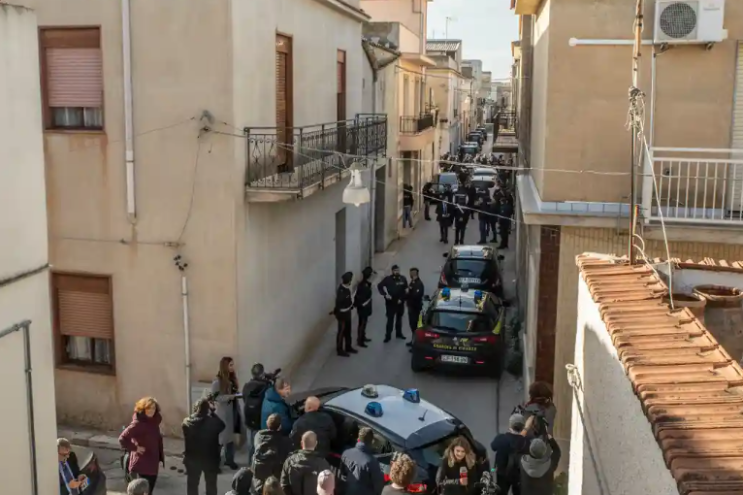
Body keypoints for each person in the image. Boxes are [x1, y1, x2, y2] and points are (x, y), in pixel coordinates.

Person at [119, 397, 164, 493]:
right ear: (143, 409)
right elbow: (122, 439)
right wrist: (135, 448)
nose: (151, 410)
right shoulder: (138, 423)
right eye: (149, 408)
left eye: (153, 408)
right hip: (141, 466)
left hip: (152, 465)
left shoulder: (154, 421)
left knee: (149, 492)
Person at [183, 396, 226, 495]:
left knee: (192, 485)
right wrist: (213, 413)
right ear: (207, 409)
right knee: (211, 485)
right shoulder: (212, 422)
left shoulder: (186, 422)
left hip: (192, 459)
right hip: (210, 459)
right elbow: (222, 425)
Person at [211, 356, 245, 470]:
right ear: (225, 366)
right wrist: (230, 397)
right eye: (230, 365)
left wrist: (237, 394)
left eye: (233, 365)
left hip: (232, 412)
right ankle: (215, 464)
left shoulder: (232, 379)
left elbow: (235, 393)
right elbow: (216, 398)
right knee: (221, 440)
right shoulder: (217, 382)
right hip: (222, 414)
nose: (232, 367)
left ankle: (229, 460)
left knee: (230, 439)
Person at [253, 413, 293, 495]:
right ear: (280, 426)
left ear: (267, 424)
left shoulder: (258, 436)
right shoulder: (285, 441)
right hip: (276, 480)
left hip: (260, 481)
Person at [490, 414, 529, 495]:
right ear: (522, 426)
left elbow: (493, 446)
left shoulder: (501, 438)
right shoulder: (526, 441)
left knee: (501, 492)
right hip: (519, 475)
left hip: (502, 474)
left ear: (510, 424)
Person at [339, 427, 385, 495]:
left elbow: (343, 474)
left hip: (347, 491)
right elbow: (378, 486)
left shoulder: (346, 453)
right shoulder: (372, 462)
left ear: (358, 438)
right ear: (371, 441)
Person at [243, 363, 273, 463]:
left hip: (248, 418)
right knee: (259, 444)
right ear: (262, 373)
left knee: (250, 445)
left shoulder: (246, 386)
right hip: (259, 418)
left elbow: (244, 399)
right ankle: (257, 466)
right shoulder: (266, 386)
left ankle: (249, 464)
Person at [377, 265, 408, 343]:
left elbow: (406, 290)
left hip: (400, 303)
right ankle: (388, 336)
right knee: (390, 320)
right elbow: (380, 286)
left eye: (398, 270)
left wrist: (402, 299)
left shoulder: (403, 279)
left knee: (399, 319)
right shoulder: (388, 279)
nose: (396, 272)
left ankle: (399, 333)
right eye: (395, 270)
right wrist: (385, 294)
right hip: (390, 303)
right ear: (392, 271)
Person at [334, 271, 356, 357]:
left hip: (347, 313)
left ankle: (348, 346)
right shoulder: (341, 291)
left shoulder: (346, 289)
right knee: (341, 332)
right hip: (342, 315)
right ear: (348, 281)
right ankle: (339, 349)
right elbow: (340, 303)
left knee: (348, 331)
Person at [354, 266, 374, 347]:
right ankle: (360, 340)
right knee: (362, 324)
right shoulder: (363, 286)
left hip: (364, 307)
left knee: (363, 323)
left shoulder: (366, 284)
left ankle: (363, 336)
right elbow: (362, 298)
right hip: (363, 308)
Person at [405, 268, 424, 349]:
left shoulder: (419, 284)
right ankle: (413, 341)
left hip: (415, 308)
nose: (410, 275)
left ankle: (415, 345)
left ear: (414, 274)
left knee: (415, 326)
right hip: (411, 307)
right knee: (412, 326)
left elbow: (416, 296)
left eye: (411, 273)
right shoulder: (412, 282)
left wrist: (408, 293)